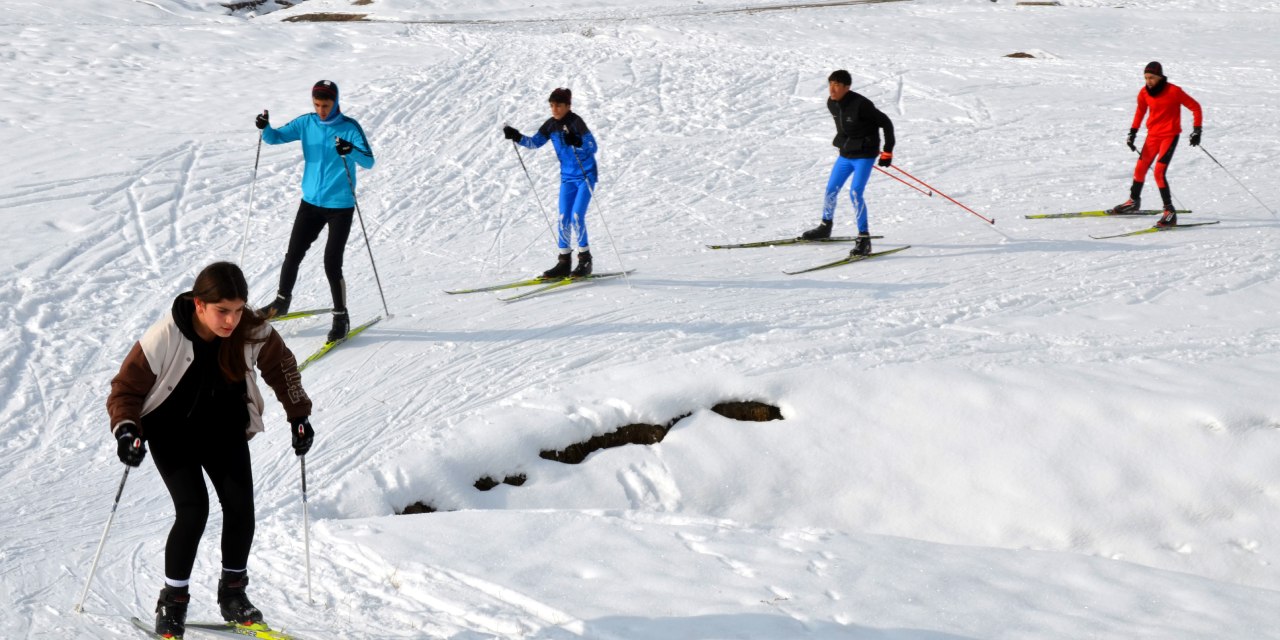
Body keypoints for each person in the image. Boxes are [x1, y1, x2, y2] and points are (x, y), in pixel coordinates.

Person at [106, 262, 315, 638]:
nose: (232, 320)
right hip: (172, 434)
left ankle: (233, 594)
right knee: (193, 509)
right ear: (200, 304)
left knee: (241, 507)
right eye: (223, 311)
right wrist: (126, 431)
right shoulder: (166, 335)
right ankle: (173, 602)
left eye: (238, 310)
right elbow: (125, 389)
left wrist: (298, 415)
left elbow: (282, 366)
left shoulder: (251, 330)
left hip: (224, 429)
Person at [255, 79, 376, 341]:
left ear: (336, 102)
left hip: (340, 206)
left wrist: (350, 150)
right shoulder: (306, 123)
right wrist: (265, 128)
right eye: (317, 104)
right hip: (310, 203)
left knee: (332, 262)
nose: (321, 110)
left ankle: (341, 316)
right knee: (293, 254)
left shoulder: (349, 127)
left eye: (326, 105)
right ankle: (281, 301)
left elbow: (369, 160)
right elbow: (276, 137)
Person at [502, 87, 599, 278]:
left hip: (585, 175)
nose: (554, 109)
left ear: (568, 106)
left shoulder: (575, 122)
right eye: (552, 105)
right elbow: (534, 143)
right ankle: (564, 262)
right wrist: (517, 136)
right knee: (563, 217)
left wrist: (577, 141)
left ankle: (585, 260)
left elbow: (591, 146)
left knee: (577, 216)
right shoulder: (550, 125)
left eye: (558, 106)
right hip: (567, 178)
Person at [802, 69, 895, 257]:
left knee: (855, 193)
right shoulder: (832, 103)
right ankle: (825, 227)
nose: (832, 89)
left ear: (847, 87)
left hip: (864, 156)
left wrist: (887, 151)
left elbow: (886, 123)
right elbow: (846, 127)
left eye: (837, 85)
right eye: (830, 84)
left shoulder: (862, 104)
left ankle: (864, 239)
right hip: (846, 155)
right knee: (831, 190)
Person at [1110, 61, 1202, 227]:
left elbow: (1195, 107)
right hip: (1152, 136)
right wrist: (1132, 133)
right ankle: (1133, 202)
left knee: (1159, 172)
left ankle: (1169, 212)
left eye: (1151, 77)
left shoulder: (1174, 91)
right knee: (1140, 169)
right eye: (1145, 78)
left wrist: (1197, 130)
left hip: (1169, 136)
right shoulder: (1144, 93)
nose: (1148, 81)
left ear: (1160, 77)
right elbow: (1140, 112)